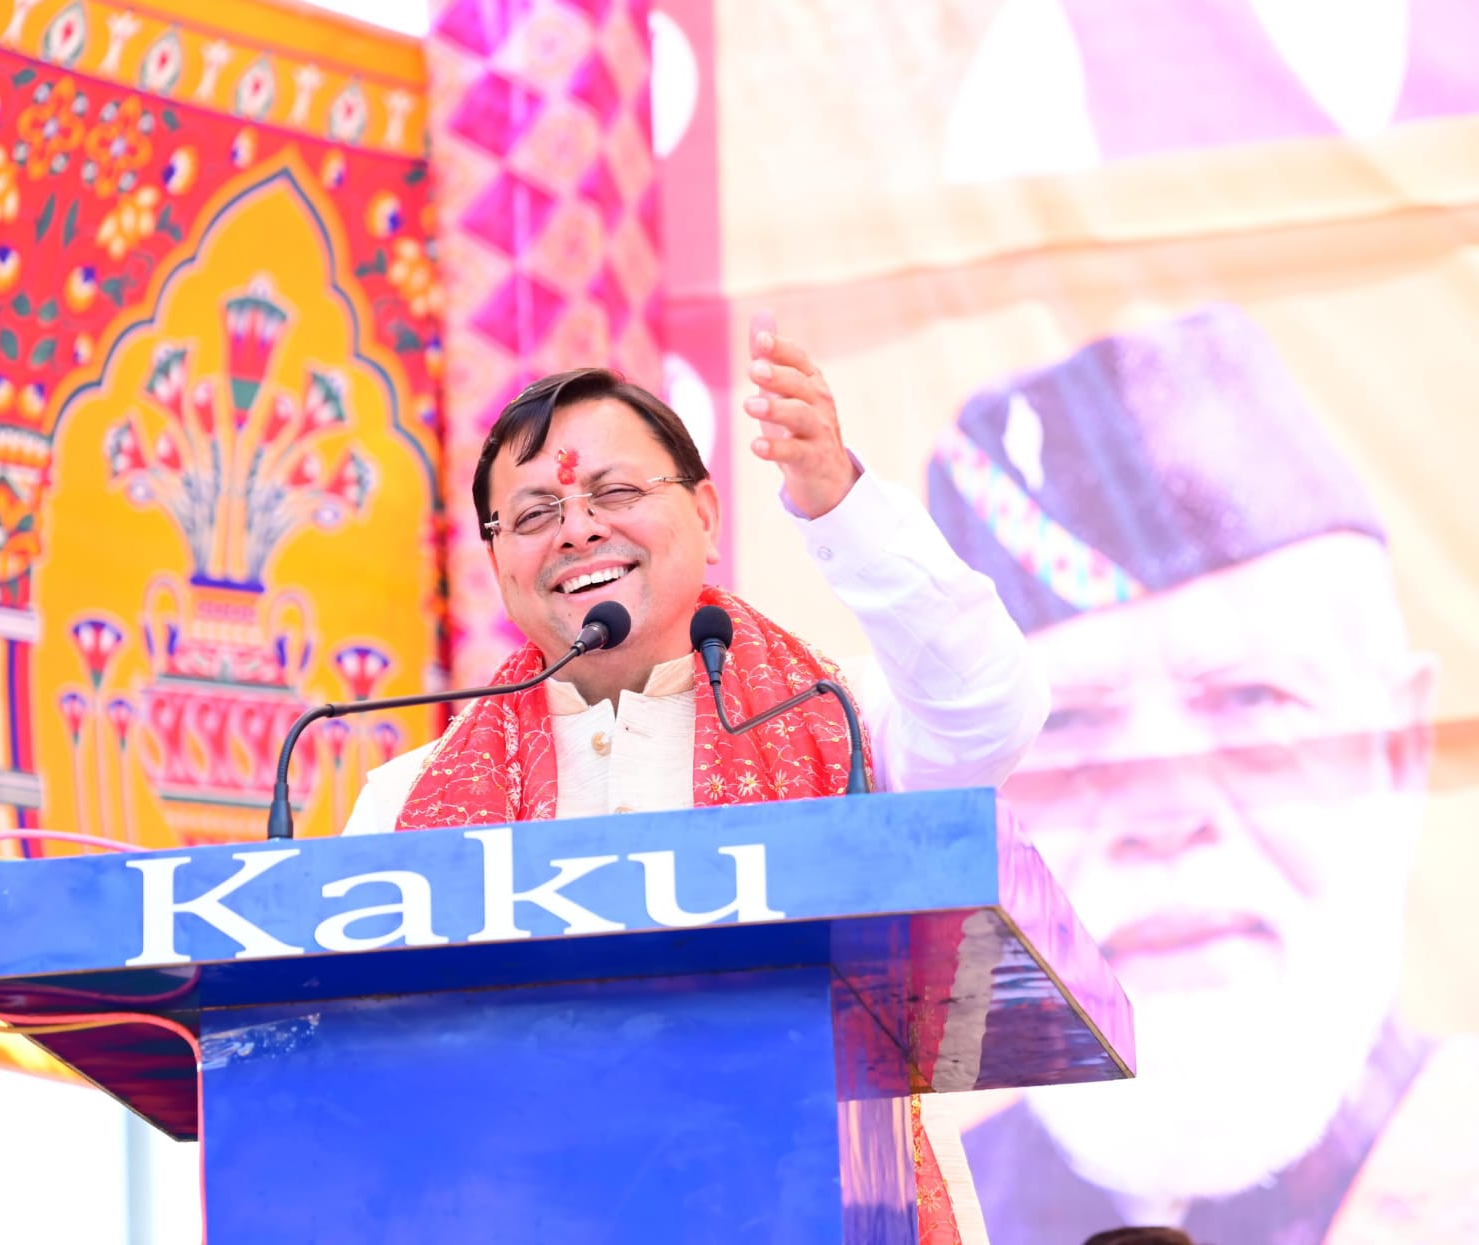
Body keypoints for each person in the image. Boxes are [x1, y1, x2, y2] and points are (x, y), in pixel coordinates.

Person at [927, 304, 1479, 1242]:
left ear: (1398, 751)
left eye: (1252, 700)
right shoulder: (898, 1218)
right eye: (1066, 725)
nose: (1165, 811)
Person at [343, 327, 1047, 833]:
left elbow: (987, 712)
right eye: (534, 514)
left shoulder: (848, 724)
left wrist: (839, 502)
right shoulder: (401, 811)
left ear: (705, 516)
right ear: (499, 565)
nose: (578, 530)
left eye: (617, 492)